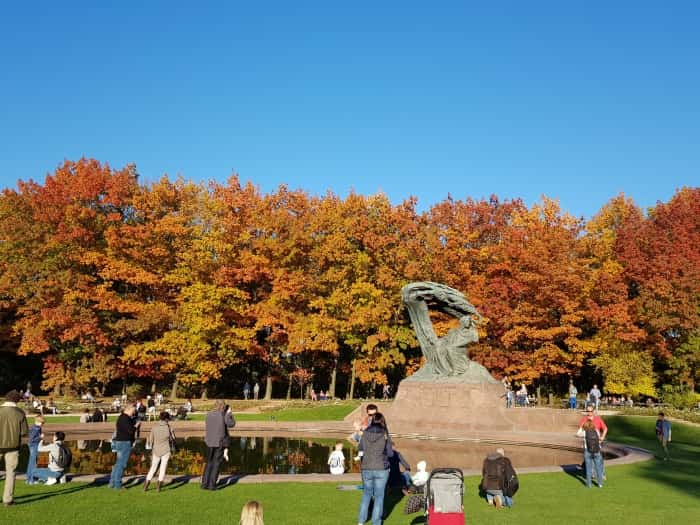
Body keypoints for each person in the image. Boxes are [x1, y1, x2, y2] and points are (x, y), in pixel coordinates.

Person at [357, 412, 392, 525]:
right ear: (382, 421)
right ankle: (376, 522)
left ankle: (361, 521)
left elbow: (360, 448)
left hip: (366, 467)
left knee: (366, 494)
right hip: (381, 468)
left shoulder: (365, 433)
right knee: (379, 496)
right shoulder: (385, 435)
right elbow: (390, 453)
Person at [0, 390, 28, 506]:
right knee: (10, 473)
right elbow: (24, 432)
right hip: (13, 446)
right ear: (17, 400)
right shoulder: (20, 413)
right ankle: (8, 500)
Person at [201, 400, 236, 490]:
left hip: (209, 441)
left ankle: (204, 484)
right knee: (216, 464)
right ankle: (212, 485)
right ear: (223, 406)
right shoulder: (223, 415)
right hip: (219, 442)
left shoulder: (209, 414)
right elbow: (231, 424)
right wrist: (229, 414)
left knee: (209, 463)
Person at [109, 404, 140, 489]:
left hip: (120, 441)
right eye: (133, 411)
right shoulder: (125, 418)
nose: (133, 413)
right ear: (129, 409)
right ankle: (118, 484)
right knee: (121, 464)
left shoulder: (122, 417)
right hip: (124, 442)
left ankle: (112, 482)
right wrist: (136, 426)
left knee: (118, 463)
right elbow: (130, 430)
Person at [144, 411, 176, 492]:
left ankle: (146, 486)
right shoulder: (169, 427)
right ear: (166, 419)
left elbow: (151, 440)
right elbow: (173, 438)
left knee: (153, 468)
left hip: (156, 450)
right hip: (166, 449)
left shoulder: (154, 427)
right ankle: (158, 487)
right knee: (163, 468)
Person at [578, 417, 604, 488]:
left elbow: (577, 434)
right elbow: (599, 439)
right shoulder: (596, 431)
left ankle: (589, 484)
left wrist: (581, 426)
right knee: (598, 468)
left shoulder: (584, 432)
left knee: (588, 468)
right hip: (597, 451)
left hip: (588, 451)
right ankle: (600, 484)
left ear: (585, 425)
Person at [25, 415, 45, 485]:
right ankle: (31, 480)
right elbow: (31, 440)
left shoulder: (36, 428)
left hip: (33, 446)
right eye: (42, 423)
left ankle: (28, 478)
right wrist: (40, 437)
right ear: (39, 422)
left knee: (31, 463)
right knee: (33, 463)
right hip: (34, 446)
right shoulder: (36, 429)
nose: (42, 425)